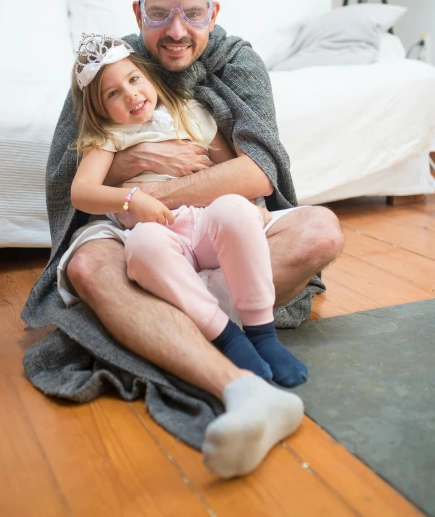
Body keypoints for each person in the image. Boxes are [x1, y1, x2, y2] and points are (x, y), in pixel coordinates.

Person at [23, 0, 344, 478]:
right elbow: (70, 176)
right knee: (86, 268)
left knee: (320, 232)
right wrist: (135, 162)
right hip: (132, 229)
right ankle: (240, 387)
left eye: (192, 13)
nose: (176, 30)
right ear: (137, 13)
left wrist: (161, 192)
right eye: (159, 14)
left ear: (212, 14)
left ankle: (147, 317)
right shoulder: (112, 65)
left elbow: (259, 172)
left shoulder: (237, 62)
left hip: (213, 225)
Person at [60, 32, 308, 389]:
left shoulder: (187, 112)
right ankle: (226, 337)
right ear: (99, 109)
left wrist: (254, 208)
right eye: (112, 93)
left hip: (205, 221)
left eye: (134, 79)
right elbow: (81, 192)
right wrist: (131, 199)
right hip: (158, 229)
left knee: (235, 210)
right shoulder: (109, 137)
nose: (130, 94)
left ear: (150, 77)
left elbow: (230, 171)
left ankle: (261, 333)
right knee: (143, 245)